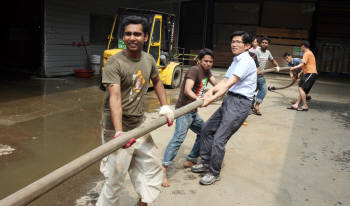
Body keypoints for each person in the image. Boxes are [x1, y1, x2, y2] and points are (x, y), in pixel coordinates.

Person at [96, 16, 174, 206]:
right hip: (115, 128)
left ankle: (143, 202)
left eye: (137, 34)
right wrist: (119, 132)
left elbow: (157, 80)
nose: (132, 38)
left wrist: (164, 106)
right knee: (115, 180)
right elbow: (114, 97)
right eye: (128, 34)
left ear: (145, 37)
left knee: (153, 168)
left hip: (138, 125)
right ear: (123, 37)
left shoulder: (148, 59)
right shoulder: (115, 62)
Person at [191, 31, 257, 185]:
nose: (234, 44)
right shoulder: (236, 60)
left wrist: (211, 99)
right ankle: (206, 162)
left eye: (238, 42)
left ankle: (214, 172)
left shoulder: (246, 61)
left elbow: (228, 85)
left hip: (240, 103)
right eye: (233, 41)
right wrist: (209, 91)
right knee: (207, 129)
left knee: (219, 138)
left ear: (247, 46)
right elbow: (224, 80)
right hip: (230, 100)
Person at [162, 48, 217, 187]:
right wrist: (200, 100)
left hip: (193, 111)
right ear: (199, 60)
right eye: (205, 61)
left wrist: (227, 88)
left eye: (210, 61)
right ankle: (163, 170)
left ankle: (192, 158)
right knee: (178, 139)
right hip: (184, 110)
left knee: (204, 131)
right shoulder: (194, 70)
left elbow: (217, 85)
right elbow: (187, 90)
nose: (208, 63)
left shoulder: (207, 72)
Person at [287, 41, 317, 111]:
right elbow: (308, 64)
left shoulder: (307, 53)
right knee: (302, 90)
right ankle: (296, 104)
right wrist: (301, 72)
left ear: (303, 46)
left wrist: (294, 67)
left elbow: (302, 64)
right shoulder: (309, 53)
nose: (301, 49)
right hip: (308, 73)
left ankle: (305, 106)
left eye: (301, 47)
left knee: (301, 88)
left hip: (310, 73)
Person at [253, 36, 280, 115]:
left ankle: (256, 107)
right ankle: (249, 105)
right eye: (263, 42)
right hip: (252, 75)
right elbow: (251, 62)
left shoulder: (268, 52)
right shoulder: (256, 51)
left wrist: (277, 66)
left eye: (266, 43)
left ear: (268, 44)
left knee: (263, 90)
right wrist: (257, 69)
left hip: (260, 75)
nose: (264, 44)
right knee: (251, 91)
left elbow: (272, 60)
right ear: (260, 43)